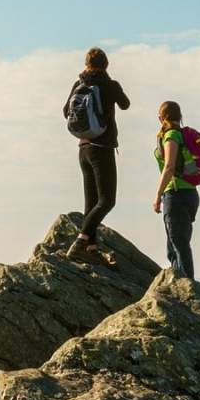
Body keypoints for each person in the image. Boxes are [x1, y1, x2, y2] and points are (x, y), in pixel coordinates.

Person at [63, 48, 130, 265]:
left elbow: (66, 111)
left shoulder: (78, 84)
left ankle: (91, 249)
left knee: (91, 202)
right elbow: (125, 104)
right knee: (107, 200)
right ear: (106, 64)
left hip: (83, 149)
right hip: (102, 148)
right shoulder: (109, 85)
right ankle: (81, 243)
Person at [153, 101, 200, 279]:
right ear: (180, 117)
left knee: (178, 244)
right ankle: (181, 283)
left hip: (176, 194)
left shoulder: (171, 135)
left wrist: (158, 195)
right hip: (190, 194)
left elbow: (169, 166)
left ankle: (188, 286)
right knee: (177, 245)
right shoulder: (182, 135)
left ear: (161, 118)